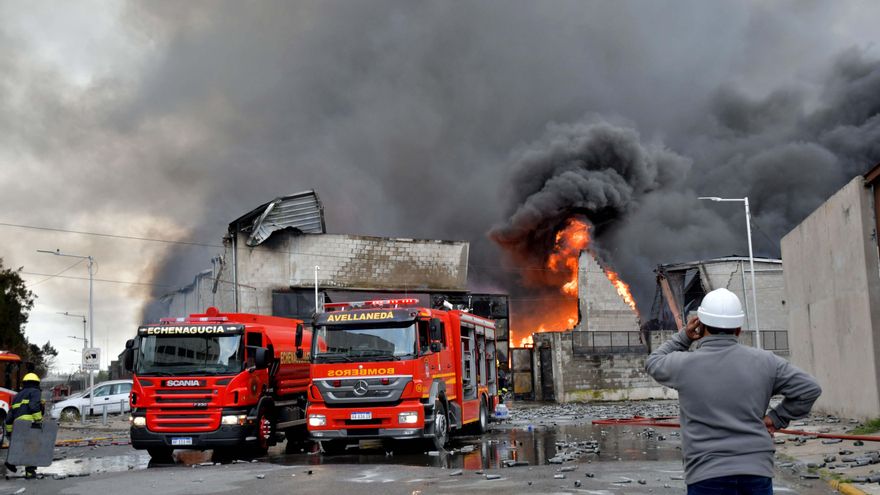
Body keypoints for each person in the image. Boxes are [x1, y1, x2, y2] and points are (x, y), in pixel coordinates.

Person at [646, 288, 821, 495]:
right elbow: (809, 389)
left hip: (706, 474)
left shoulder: (684, 365)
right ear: (738, 328)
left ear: (701, 325)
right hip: (756, 470)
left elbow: (653, 362)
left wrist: (684, 337)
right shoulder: (766, 362)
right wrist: (776, 418)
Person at [4, 372, 44, 479]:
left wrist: (9, 431)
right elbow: (33, 406)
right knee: (32, 447)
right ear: (36, 383)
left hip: (18, 425)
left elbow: (9, 416)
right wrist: (39, 420)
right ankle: (30, 472)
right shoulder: (35, 392)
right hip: (30, 423)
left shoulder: (17, 396)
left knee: (21, 445)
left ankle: (11, 462)